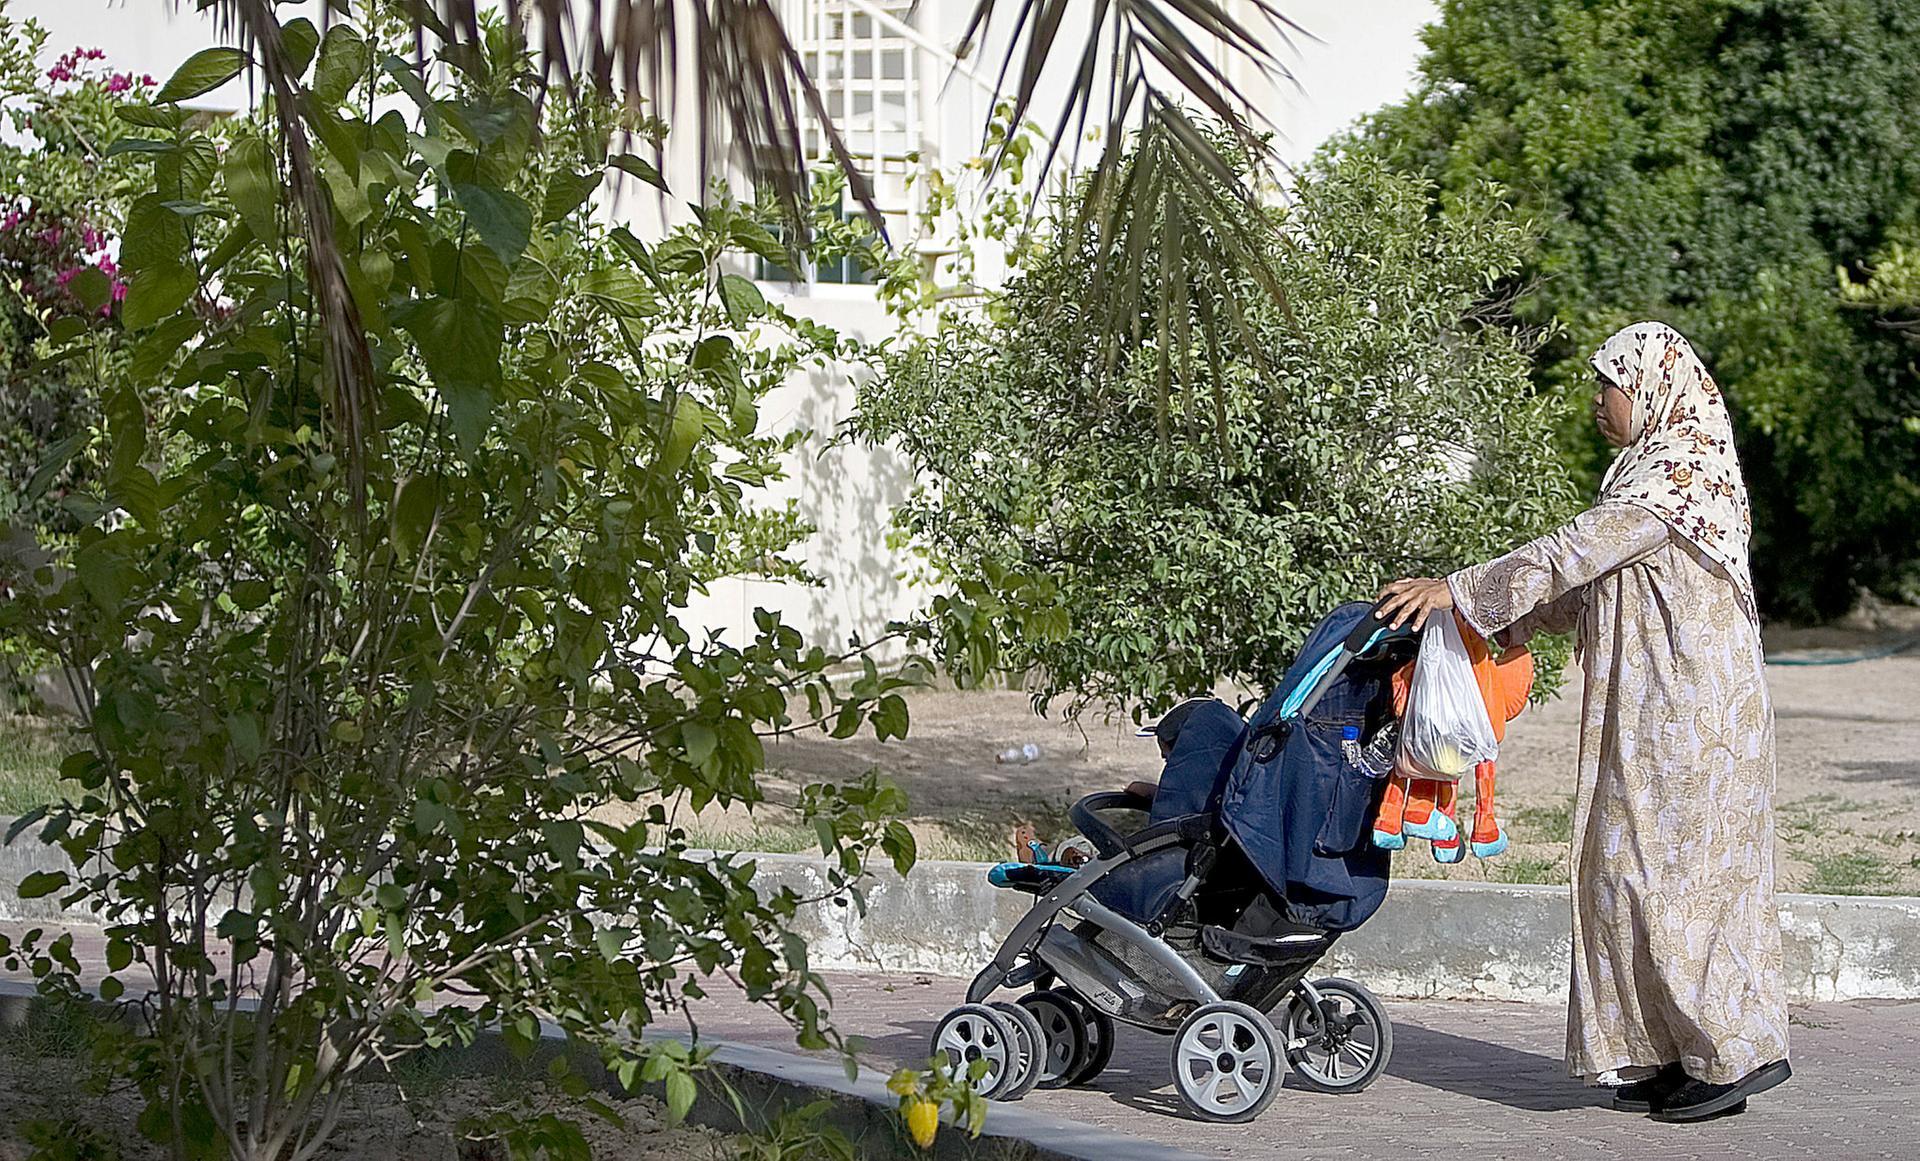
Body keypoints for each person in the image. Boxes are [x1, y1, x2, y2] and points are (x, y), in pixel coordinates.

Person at [1374, 321, 1791, 1123]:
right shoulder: (1643, 474)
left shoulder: (1677, 476)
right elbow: (1588, 584)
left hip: (1690, 713)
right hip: (1651, 708)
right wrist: (1494, 624)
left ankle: (1736, 1050)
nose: (1600, 401)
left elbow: (1572, 551)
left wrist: (1460, 590)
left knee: (1674, 876)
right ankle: (1677, 1050)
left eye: (1612, 384)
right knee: (1624, 868)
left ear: (1654, 389)